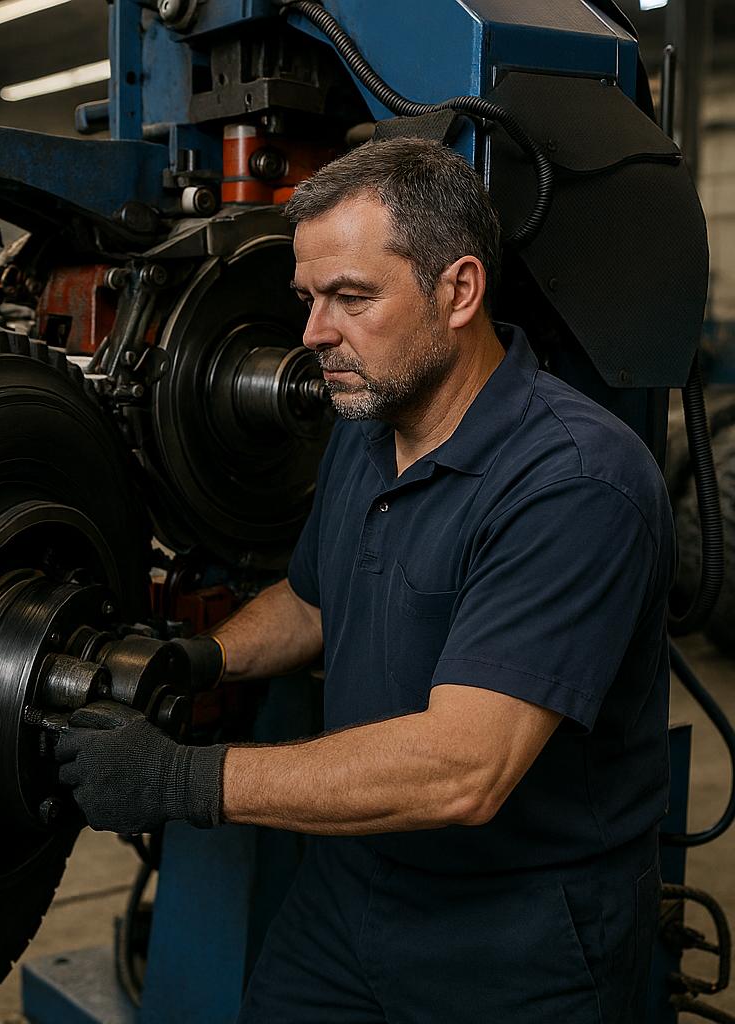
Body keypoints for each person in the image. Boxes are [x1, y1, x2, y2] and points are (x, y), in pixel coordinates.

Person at [55, 139, 672, 1022]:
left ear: (459, 290)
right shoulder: (365, 424)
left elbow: (464, 770)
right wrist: (196, 660)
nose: (314, 334)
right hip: (349, 888)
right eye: (308, 299)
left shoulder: (575, 482)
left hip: (516, 931)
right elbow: (312, 601)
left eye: (351, 298)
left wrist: (181, 781)